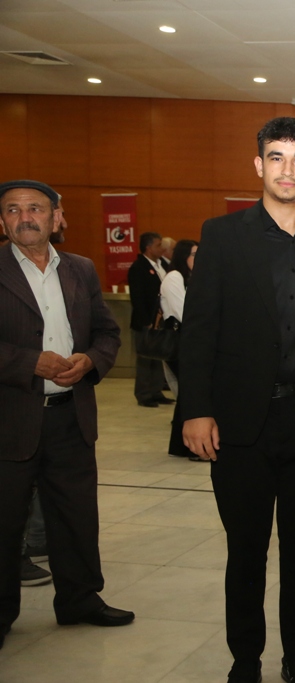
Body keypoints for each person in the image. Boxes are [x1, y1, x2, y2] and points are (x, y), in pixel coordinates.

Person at [179, 116, 295, 683]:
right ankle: (245, 661)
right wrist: (196, 409)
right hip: (240, 424)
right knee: (246, 552)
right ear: (259, 165)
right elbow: (199, 330)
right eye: (276, 157)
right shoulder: (223, 235)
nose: (287, 169)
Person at [0, 179, 132, 653]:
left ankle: (79, 600)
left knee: (76, 516)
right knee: (5, 522)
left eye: (35, 208)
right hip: (10, 419)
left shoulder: (81, 269)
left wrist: (90, 361)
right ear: (2, 221)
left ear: (56, 217)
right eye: (12, 210)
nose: (24, 217)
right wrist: (27, 362)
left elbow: (107, 333)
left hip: (70, 417)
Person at [160, 239, 198, 458]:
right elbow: (184, 312)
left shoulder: (192, 277)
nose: (198, 259)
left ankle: (180, 445)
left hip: (190, 340)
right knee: (190, 392)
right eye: (194, 255)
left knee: (187, 393)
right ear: (184, 256)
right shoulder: (174, 277)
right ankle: (188, 446)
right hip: (179, 341)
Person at [128, 231, 172, 407]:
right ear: (148, 248)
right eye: (158, 245)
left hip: (161, 321)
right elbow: (137, 298)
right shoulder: (138, 267)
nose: (162, 248)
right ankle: (144, 394)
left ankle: (156, 391)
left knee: (158, 357)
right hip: (145, 321)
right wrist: (146, 321)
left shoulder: (163, 265)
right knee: (145, 359)